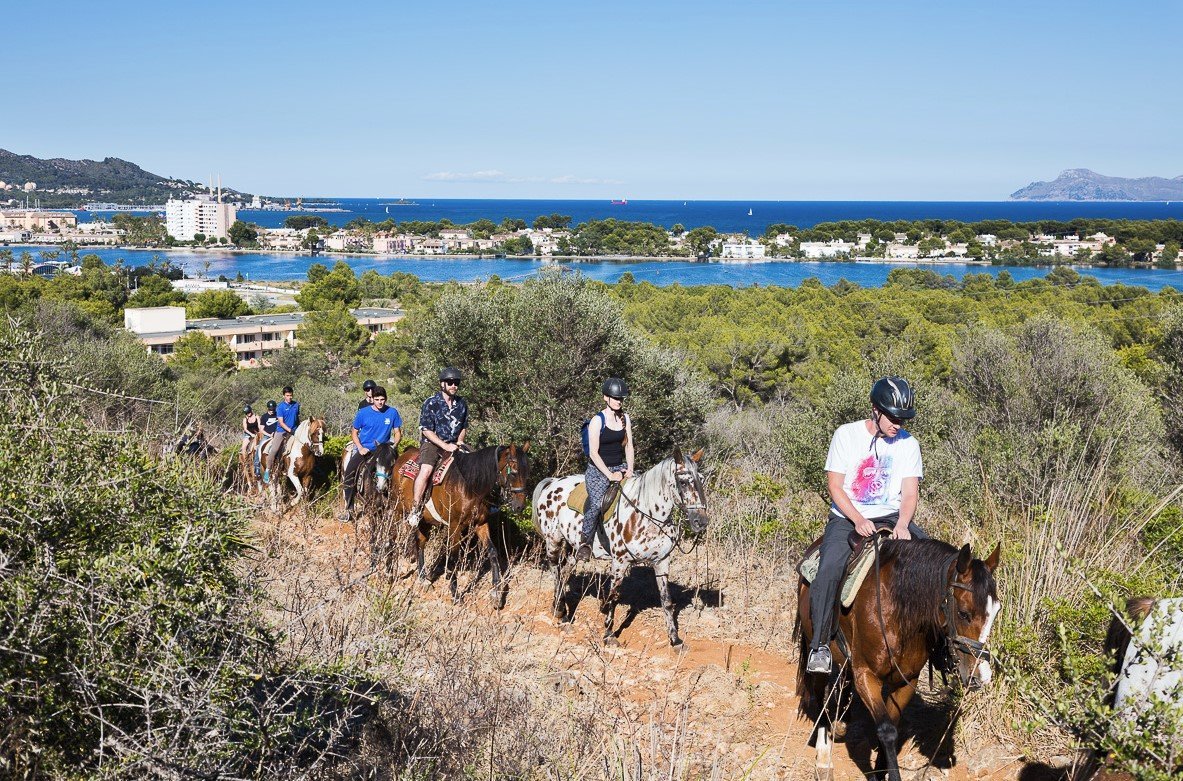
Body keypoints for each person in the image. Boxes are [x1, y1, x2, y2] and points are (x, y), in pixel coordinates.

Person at [805, 376, 926, 675]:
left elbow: (910, 493)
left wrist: (903, 523)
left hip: (892, 518)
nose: (898, 424)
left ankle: (937, 651)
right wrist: (858, 519)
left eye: (903, 419)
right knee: (830, 566)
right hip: (848, 518)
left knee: (932, 565)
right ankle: (819, 645)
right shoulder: (846, 436)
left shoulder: (909, 444)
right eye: (893, 417)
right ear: (875, 409)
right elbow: (835, 486)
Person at [576, 377, 635, 561]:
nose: (619, 401)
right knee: (595, 505)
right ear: (605, 398)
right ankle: (585, 544)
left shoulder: (625, 418)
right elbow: (593, 453)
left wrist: (631, 468)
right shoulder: (597, 420)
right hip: (598, 471)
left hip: (620, 467)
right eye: (615, 397)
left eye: (621, 398)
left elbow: (629, 446)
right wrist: (610, 475)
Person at [406, 367, 468, 527]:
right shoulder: (431, 403)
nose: (454, 385)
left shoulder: (462, 404)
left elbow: (463, 427)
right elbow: (426, 430)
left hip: (454, 444)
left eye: (456, 382)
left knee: (476, 465)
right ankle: (416, 507)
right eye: (450, 382)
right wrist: (444, 446)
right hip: (432, 444)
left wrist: (460, 441)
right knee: (426, 471)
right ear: (442, 384)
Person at [339, 385, 401, 522]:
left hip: (385, 450)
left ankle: (398, 506)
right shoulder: (363, 413)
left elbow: (397, 432)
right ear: (372, 399)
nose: (380, 402)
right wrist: (360, 447)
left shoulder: (392, 412)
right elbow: (354, 432)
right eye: (377, 399)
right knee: (349, 473)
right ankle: (349, 509)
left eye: (383, 399)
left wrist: (394, 445)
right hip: (366, 449)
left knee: (399, 472)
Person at [263, 387, 299, 484]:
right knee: (274, 450)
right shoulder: (280, 407)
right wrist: (290, 430)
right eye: (287, 395)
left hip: (294, 430)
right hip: (282, 431)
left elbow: (297, 418)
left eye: (291, 395)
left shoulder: (296, 405)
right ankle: (268, 470)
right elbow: (281, 422)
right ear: (284, 396)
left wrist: (298, 429)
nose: (289, 397)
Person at [257, 400, 279, 479]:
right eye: (270, 409)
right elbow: (261, 429)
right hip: (267, 436)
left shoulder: (278, 415)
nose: (272, 411)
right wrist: (269, 434)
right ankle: (257, 466)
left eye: (273, 409)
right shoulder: (264, 416)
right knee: (259, 447)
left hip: (277, 435)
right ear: (268, 409)